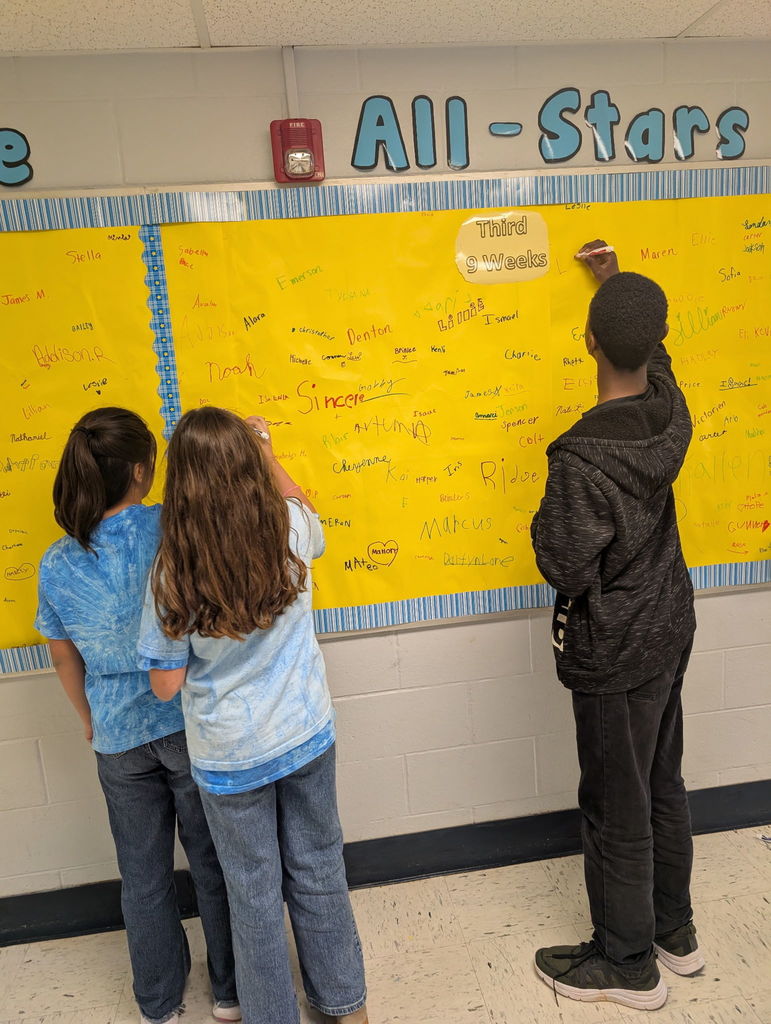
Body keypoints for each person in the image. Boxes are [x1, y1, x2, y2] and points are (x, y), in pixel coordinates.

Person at [137, 408, 367, 1024]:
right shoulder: (290, 528)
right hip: (305, 733)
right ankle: (347, 1007)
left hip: (230, 756)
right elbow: (305, 507)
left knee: (254, 895)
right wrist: (266, 447)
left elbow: (164, 686)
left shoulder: (172, 570)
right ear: (247, 465)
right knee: (319, 868)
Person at [529, 243, 702, 1010]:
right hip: (668, 628)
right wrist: (618, 288)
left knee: (613, 806)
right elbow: (655, 357)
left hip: (615, 649)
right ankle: (675, 933)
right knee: (660, 779)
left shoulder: (581, 459)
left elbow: (564, 566)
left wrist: (545, 521)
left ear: (588, 342)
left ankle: (627, 965)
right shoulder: (670, 413)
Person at [35, 407, 239, 1024]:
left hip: (116, 737)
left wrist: (88, 718)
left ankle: (157, 1002)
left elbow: (65, 656)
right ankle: (229, 993)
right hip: (186, 720)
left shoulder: (56, 562)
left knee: (141, 877)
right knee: (212, 861)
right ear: (143, 471)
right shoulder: (171, 528)